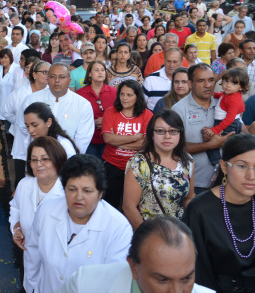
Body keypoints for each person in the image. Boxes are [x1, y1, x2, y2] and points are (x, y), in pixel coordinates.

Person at [26, 154, 133, 293]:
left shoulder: (118, 227)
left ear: (100, 193)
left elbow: (114, 282)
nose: (78, 197)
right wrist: (31, 288)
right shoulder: (47, 210)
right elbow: (33, 254)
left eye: (87, 191)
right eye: (72, 189)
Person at [57, 216, 214, 293]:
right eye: (163, 280)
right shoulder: (84, 284)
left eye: (186, 278)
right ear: (133, 267)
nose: (176, 291)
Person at [184, 134, 255, 293]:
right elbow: (196, 268)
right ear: (224, 166)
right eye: (242, 166)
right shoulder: (200, 209)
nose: (251, 176)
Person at [9, 137, 67, 292]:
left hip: (58, 264)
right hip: (30, 256)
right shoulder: (24, 184)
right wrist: (16, 230)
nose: (39, 164)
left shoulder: (67, 192)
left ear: (58, 160)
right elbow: (15, 208)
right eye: (34, 160)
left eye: (45, 159)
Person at [123, 110, 195, 230]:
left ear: (180, 134)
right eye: (160, 131)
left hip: (178, 234)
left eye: (173, 131)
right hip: (149, 234)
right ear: (152, 134)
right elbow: (129, 207)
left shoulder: (187, 161)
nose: (167, 136)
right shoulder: (140, 163)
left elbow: (189, 198)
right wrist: (148, 238)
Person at [173, 64, 235, 193]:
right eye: (201, 81)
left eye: (211, 80)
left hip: (226, 182)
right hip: (193, 185)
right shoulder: (179, 110)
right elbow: (173, 148)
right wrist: (210, 145)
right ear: (190, 83)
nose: (208, 85)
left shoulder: (223, 105)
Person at [15, 63, 95, 154]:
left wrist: (66, 157)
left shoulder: (83, 105)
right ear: (48, 79)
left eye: (62, 77)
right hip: (37, 156)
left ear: (69, 81)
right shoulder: (32, 99)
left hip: (67, 159)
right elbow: (22, 125)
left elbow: (82, 139)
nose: (57, 80)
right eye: (53, 76)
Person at [102, 79, 153, 208]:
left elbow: (145, 144)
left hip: (138, 167)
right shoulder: (110, 112)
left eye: (129, 95)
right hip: (112, 165)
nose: (124, 98)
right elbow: (107, 139)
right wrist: (136, 137)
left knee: (134, 206)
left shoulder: (147, 115)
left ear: (138, 96)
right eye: (122, 94)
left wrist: (117, 141)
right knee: (110, 205)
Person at [77, 61, 117, 158]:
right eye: (97, 70)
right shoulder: (80, 94)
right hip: (89, 140)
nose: (100, 73)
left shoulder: (114, 92)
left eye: (103, 70)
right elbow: (76, 117)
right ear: (90, 74)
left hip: (110, 140)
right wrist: (92, 122)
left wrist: (106, 122)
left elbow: (120, 113)